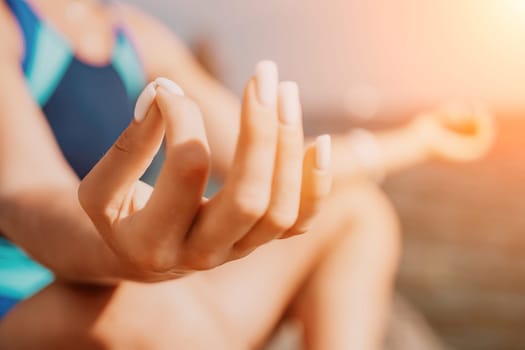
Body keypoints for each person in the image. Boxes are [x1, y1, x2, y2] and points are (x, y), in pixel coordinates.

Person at [0, 0, 495, 348]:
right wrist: (118, 251)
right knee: (136, 304)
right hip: (22, 307)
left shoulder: (134, 34)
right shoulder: (11, 24)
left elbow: (274, 159)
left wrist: (421, 138)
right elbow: (26, 194)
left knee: (356, 209)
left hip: (146, 294)